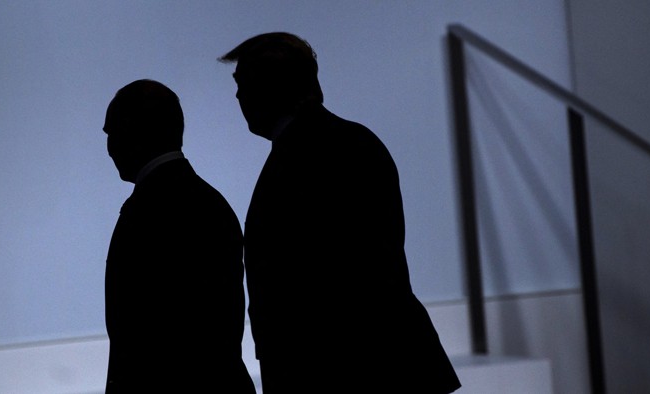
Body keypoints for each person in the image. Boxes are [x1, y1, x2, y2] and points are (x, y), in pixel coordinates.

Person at [220, 33, 461, 393]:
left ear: (273, 84)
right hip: (376, 364)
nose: (238, 96)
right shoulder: (349, 142)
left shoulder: (305, 156)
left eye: (244, 82)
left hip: (344, 370)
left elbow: (326, 281)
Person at [102, 79, 255, 393]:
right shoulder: (209, 201)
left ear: (132, 130)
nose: (109, 147)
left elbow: (141, 334)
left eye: (112, 132)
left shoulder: (147, 210)